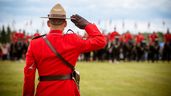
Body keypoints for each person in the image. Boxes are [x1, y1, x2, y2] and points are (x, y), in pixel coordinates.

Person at [23, 3, 106, 96]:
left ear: (48, 23)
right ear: (65, 23)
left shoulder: (35, 43)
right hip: (68, 91)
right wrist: (87, 25)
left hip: (44, 92)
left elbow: (28, 76)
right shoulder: (73, 40)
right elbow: (100, 41)